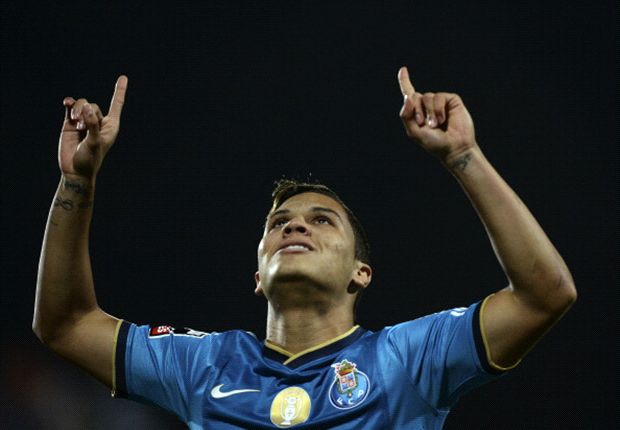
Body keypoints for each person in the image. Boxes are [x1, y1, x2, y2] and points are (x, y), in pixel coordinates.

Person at [33, 68, 577, 429]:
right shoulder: (207, 366)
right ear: (258, 276)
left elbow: (545, 295)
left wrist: (464, 155)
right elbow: (65, 324)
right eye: (279, 223)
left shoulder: (409, 359)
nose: (295, 227)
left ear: (361, 273)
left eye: (321, 220)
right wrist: (76, 182)